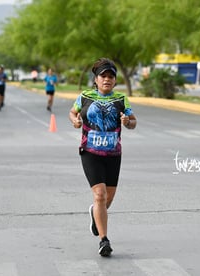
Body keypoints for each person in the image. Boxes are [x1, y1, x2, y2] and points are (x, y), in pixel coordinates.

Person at [69, 58, 137, 257]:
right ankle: (104, 240)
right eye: (103, 76)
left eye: (111, 76)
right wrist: (75, 121)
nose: (107, 79)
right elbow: (72, 113)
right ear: (96, 79)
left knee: (108, 199)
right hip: (90, 153)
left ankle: (95, 213)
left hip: (113, 154)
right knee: (99, 195)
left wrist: (127, 121)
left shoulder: (121, 100)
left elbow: (133, 122)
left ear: (115, 81)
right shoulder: (85, 96)